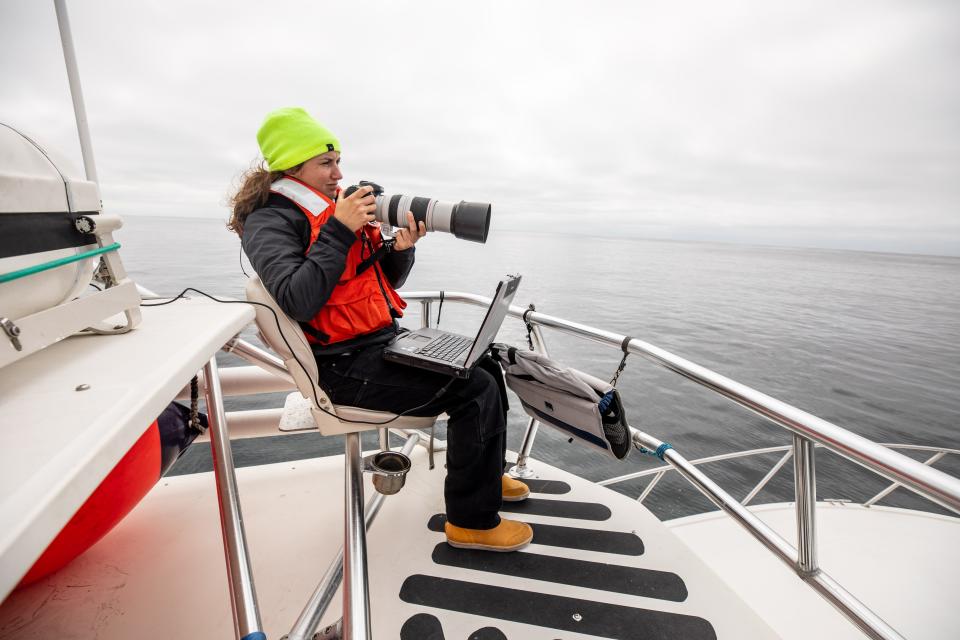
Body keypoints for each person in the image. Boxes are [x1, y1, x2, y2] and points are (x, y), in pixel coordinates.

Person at [228, 107, 533, 552]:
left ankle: (486, 477)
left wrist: (401, 249)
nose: (339, 173)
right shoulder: (271, 220)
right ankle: (471, 522)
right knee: (476, 389)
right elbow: (298, 298)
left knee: (483, 361)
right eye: (326, 163)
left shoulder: (332, 210)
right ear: (293, 167)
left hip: (377, 344)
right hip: (341, 368)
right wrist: (339, 229)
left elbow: (377, 282)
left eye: (338, 161)